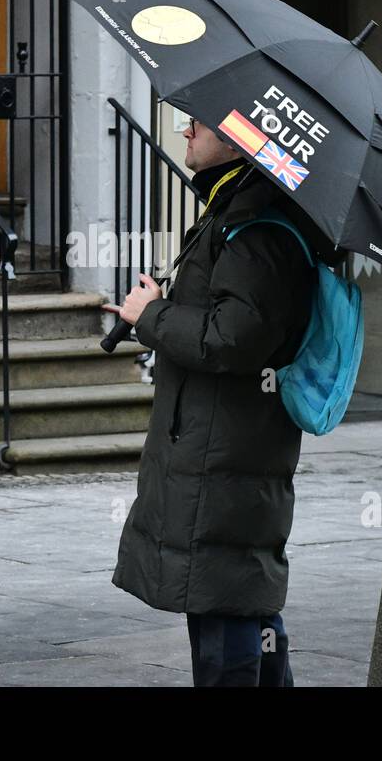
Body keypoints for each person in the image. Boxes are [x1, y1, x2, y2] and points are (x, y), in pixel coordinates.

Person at [104, 116, 318, 687]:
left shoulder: (256, 225)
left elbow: (233, 339)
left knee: (226, 609)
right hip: (218, 443)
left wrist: (150, 317)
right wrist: (160, 306)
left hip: (227, 449)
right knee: (238, 597)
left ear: (238, 135)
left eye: (196, 123)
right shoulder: (235, 211)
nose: (184, 132)